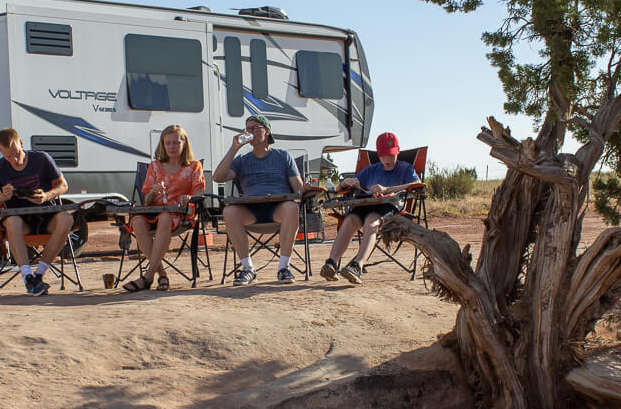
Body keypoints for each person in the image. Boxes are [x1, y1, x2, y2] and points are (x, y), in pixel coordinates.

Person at [0, 128, 73, 296]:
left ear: (21, 144)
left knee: (67, 219)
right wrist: (2, 197)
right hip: (21, 222)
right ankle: (27, 276)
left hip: (46, 215)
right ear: (1, 153)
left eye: (16, 153)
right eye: (8, 156)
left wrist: (46, 195)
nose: (14, 160)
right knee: (12, 221)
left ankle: (38, 275)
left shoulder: (41, 159)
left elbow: (63, 185)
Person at [212, 114, 303, 285]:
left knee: (292, 208)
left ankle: (284, 267)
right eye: (248, 129)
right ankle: (248, 268)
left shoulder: (283, 156)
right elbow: (217, 177)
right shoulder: (241, 160)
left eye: (255, 128)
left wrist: (305, 191)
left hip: (278, 209)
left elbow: (299, 188)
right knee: (229, 211)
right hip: (251, 211)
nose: (250, 132)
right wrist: (234, 148)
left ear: (267, 131)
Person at [321, 131, 420, 285]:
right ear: (378, 155)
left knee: (371, 222)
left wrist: (387, 189)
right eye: (383, 156)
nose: (387, 159)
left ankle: (357, 265)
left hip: (390, 206)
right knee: (349, 221)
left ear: (397, 151)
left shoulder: (406, 168)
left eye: (391, 155)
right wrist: (346, 182)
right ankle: (331, 263)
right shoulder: (371, 169)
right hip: (365, 203)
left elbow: (417, 185)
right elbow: (339, 187)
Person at [122, 125, 205, 292]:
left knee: (166, 217)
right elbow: (147, 199)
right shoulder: (155, 166)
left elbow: (199, 193)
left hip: (179, 213)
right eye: (168, 143)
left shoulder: (193, 166)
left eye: (176, 143)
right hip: (153, 211)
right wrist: (153, 191)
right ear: (162, 144)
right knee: (136, 220)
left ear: (184, 144)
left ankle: (148, 276)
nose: (172, 147)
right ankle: (161, 275)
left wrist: (189, 198)